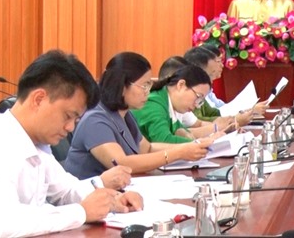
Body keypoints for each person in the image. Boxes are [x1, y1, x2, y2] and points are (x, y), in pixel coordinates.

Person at [0, 50, 143, 237]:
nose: (70, 127)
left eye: (76, 120)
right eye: (68, 116)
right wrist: (81, 212)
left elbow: (66, 191)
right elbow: (1, 223)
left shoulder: (37, 144)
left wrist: (111, 199)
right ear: (39, 99)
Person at [63, 52, 214, 179]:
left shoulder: (125, 114)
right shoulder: (94, 119)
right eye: (144, 86)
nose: (148, 92)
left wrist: (188, 147)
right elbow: (122, 163)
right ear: (122, 85)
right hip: (89, 198)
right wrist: (178, 153)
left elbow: (147, 148)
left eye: (149, 85)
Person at [131, 64, 225, 143]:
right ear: (181, 85)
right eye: (198, 97)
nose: (197, 105)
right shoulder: (154, 104)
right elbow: (164, 140)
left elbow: (184, 133)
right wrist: (203, 142)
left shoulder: (169, 103)